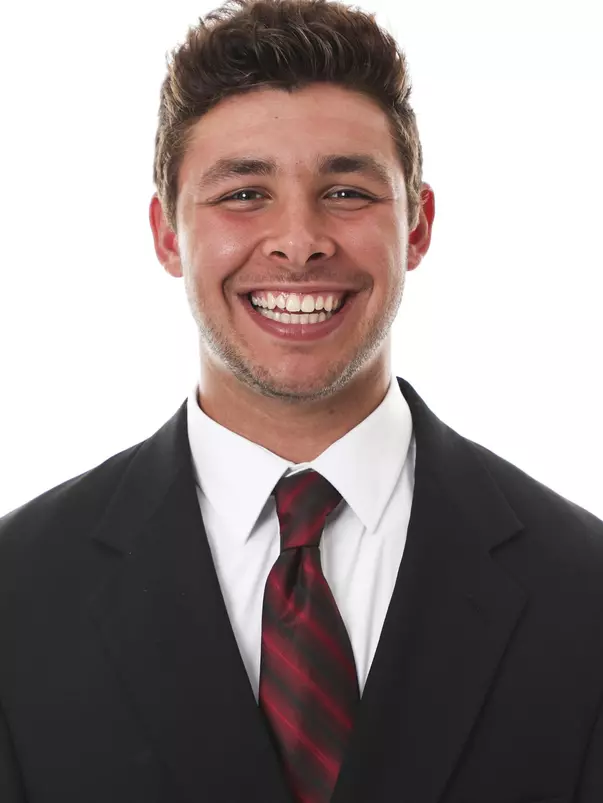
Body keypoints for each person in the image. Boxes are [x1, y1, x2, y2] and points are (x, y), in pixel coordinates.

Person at [1, 0, 602, 800]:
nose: (298, 241)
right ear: (168, 234)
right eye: (243, 193)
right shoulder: (18, 591)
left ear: (417, 226)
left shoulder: (583, 589)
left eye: (346, 192)